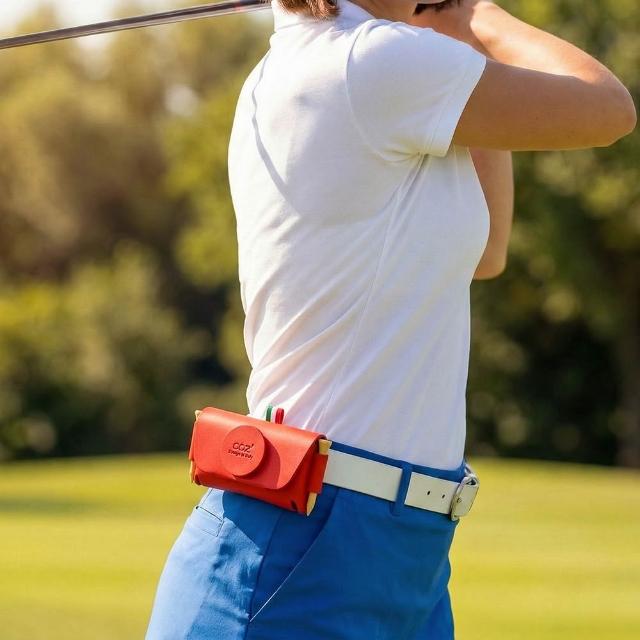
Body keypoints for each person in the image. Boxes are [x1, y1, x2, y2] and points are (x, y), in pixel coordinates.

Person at [145, 1, 635, 639]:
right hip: (306, 545)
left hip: (404, 552)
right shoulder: (371, 61)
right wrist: (478, 17)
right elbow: (608, 108)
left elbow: (487, 252)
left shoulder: (342, 64)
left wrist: (458, 40)